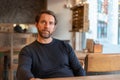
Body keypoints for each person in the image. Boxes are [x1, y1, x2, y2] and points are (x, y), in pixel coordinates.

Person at [16, 10, 86, 80]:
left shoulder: (65, 46)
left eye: (51, 23)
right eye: (43, 22)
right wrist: (31, 79)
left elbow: (78, 69)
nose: (47, 26)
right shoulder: (27, 51)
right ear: (36, 25)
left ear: (54, 28)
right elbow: (23, 69)